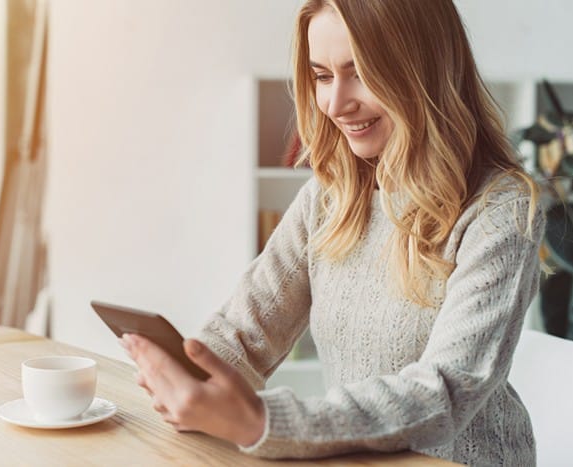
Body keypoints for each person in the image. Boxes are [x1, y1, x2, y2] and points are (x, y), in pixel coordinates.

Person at [121, 0, 543, 465]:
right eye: (322, 76)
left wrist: (261, 422)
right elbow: (244, 333)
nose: (336, 104)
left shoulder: (502, 209)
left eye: (360, 72)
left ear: (423, 71)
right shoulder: (329, 197)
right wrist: (192, 377)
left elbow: (444, 391)